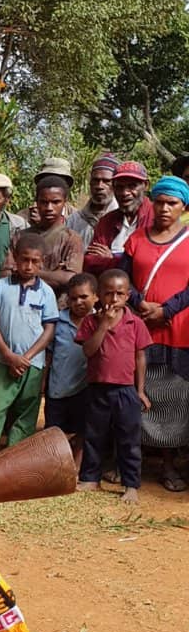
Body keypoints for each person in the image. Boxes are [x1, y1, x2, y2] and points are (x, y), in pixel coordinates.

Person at [122, 175, 189, 492]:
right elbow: (121, 279)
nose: (164, 208)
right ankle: (131, 464)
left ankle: (169, 464)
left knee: (175, 397)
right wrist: (140, 303)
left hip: (178, 332)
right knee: (138, 393)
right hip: (139, 331)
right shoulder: (136, 239)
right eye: (159, 202)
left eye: (171, 203)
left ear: (183, 207)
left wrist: (167, 310)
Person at [0, 233, 58, 467]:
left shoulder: (46, 292)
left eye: (35, 261)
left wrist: (25, 358)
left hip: (32, 365)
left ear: (42, 262)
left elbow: (49, 329)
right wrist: (8, 355)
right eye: (24, 259)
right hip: (2, 361)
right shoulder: (0, 286)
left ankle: (14, 467)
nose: (29, 266)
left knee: (25, 417)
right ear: (15, 258)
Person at [75, 269, 152, 505]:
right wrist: (104, 325)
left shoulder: (135, 323)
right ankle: (90, 478)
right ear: (99, 295)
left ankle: (131, 485)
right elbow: (88, 351)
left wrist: (140, 390)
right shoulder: (91, 321)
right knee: (94, 436)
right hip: (98, 388)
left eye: (119, 293)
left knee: (129, 439)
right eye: (108, 293)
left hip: (126, 390)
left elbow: (140, 357)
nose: (114, 298)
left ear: (128, 296)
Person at [2, 175, 84, 303]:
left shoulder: (71, 239)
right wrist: (54, 274)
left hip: (57, 307)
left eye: (56, 202)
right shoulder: (20, 236)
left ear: (65, 202)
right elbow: (6, 274)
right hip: (20, 304)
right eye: (44, 202)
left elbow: (70, 279)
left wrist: (24, 271)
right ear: (36, 202)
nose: (49, 208)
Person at [44, 272, 96, 465]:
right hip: (58, 388)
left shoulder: (100, 322)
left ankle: (76, 467)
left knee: (83, 429)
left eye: (84, 297)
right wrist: (43, 382)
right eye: (73, 298)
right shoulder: (58, 322)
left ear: (95, 297)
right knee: (54, 432)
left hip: (85, 389)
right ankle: (55, 466)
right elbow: (49, 354)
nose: (78, 302)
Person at [84, 161, 153, 273]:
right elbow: (91, 261)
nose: (125, 193)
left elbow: (149, 261)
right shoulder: (107, 221)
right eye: (119, 187)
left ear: (145, 185)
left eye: (132, 186)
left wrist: (114, 258)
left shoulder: (156, 218)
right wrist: (126, 261)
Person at [66, 154, 119, 248]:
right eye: (96, 180)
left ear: (115, 184)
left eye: (106, 181)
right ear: (90, 183)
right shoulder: (73, 221)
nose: (99, 186)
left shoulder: (123, 219)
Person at [17, 157, 76, 224]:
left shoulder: (76, 218)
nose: (52, 183)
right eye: (48, 180)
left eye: (58, 181)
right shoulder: (22, 218)